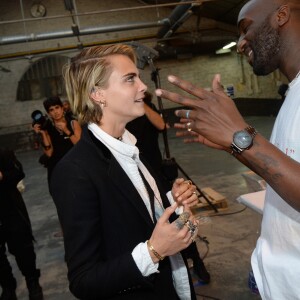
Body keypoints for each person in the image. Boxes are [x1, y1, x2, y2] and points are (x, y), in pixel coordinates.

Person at [155, 0, 300, 299]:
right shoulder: (293, 92)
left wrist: (239, 137)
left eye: (246, 29)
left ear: (282, 14)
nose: (240, 44)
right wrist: (235, 145)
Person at [50, 44, 200, 300]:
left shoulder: (130, 146)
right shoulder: (75, 171)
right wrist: (153, 252)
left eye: (139, 78)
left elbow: (134, 217)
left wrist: (170, 201)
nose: (143, 87)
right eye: (130, 79)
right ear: (98, 94)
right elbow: (84, 281)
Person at [126, 91, 210, 284]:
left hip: (158, 174)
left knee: (180, 221)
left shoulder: (147, 109)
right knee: (158, 227)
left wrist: (142, 103)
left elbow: (161, 125)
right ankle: (171, 270)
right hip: (140, 177)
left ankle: (197, 264)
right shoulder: (126, 115)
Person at [0, 148, 43, 300]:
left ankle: (32, 282)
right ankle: (7, 286)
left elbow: (19, 173)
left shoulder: (3, 152)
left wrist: (2, 175)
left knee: (22, 248)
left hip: (10, 208)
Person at [32, 96, 82, 189]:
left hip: (75, 169)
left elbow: (79, 145)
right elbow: (49, 153)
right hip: (57, 169)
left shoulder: (73, 123)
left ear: (62, 108)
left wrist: (66, 130)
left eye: (57, 107)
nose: (55, 112)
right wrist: (43, 133)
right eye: (51, 110)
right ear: (49, 113)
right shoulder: (48, 128)